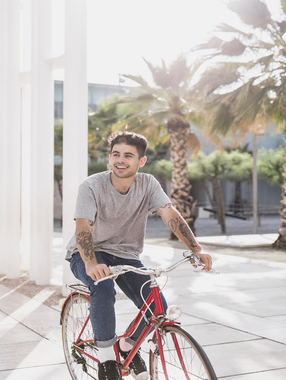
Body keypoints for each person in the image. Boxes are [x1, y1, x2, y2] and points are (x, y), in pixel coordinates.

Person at [65, 131, 213, 380]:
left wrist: (196, 249)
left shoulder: (148, 184)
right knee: (102, 287)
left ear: (141, 161)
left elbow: (170, 215)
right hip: (88, 253)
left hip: (126, 254)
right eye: (115, 154)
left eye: (128, 156)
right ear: (109, 158)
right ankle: (106, 360)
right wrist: (91, 263)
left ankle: (126, 346)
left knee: (158, 308)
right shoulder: (91, 186)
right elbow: (83, 227)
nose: (120, 160)